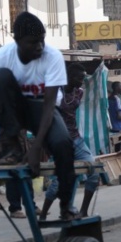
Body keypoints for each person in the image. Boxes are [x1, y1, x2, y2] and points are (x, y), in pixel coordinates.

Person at [0, 12, 76, 221]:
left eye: (42, 40)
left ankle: (66, 205)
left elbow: (50, 106)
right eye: (33, 42)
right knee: (1, 78)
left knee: (63, 144)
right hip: (14, 111)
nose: (39, 46)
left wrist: (37, 148)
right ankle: (12, 147)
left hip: (42, 108)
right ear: (17, 41)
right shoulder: (1, 57)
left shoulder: (53, 57)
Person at [39, 64, 100, 221]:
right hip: (60, 143)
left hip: (76, 140)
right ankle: (44, 214)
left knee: (93, 172)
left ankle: (83, 211)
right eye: (80, 78)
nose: (82, 81)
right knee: (58, 182)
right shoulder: (56, 92)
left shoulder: (78, 93)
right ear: (69, 77)